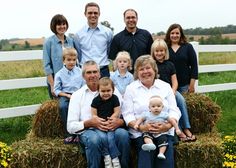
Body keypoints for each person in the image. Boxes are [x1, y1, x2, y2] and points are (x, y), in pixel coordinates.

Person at [67, 60, 130, 168]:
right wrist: (89, 123)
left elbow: (125, 113)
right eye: (89, 72)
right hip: (89, 130)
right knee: (94, 140)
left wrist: (120, 122)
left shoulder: (112, 92)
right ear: (83, 76)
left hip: (112, 128)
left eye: (95, 72)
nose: (93, 75)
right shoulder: (77, 96)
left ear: (100, 74)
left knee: (123, 135)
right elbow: (70, 127)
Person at [122, 55, 181, 168]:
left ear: (154, 70)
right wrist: (140, 127)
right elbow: (127, 114)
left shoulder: (165, 86)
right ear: (137, 72)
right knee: (146, 157)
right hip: (141, 133)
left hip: (164, 132)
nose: (145, 72)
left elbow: (174, 110)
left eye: (148, 68)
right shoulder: (131, 88)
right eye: (141, 69)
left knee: (165, 161)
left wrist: (167, 126)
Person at [151, 38, 197, 142]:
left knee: (180, 100)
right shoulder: (152, 65)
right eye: (157, 51)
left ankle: (186, 128)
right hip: (157, 94)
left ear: (165, 51)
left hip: (170, 91)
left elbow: (175, 81)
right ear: (153, 52)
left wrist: (173, 91)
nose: (159, 53)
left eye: (161, 50)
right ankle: (179, 131)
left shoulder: (170, 64)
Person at [134, 95, 181, 160]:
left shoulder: (164, 114)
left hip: (161, 133)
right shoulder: (146, 114)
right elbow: (140, 119)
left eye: (158, 106)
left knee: (163, 141)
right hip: (149, 131)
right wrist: (136, 124)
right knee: (145, 135)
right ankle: (150, 144)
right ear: (149, 107)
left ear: (162, 107)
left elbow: (172, 121)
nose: (156, 108)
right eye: (153, 106)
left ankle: (161, 153)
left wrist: (177, 129)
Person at [53, 47, 84, 144]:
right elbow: (56, 90)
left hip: (78, 94)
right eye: (69, 60)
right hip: (65, 95)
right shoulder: (59, 74)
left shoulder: (80, 71)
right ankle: (70, 134)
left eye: (74, 60)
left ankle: (79, 133)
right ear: (63, 61)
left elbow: (83, 85)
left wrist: (77, 95)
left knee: (81, 107)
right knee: (63, 107)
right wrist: (66, 95)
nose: (71, 62)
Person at [74, 2, 113, 77]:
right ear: (85, 14)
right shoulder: (78, 35)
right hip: (86, 71)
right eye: (90, 13)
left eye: (95, 13)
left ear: (99, 14)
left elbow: (108, 50)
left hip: (103, 71)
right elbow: (79, 54)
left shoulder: (108, 32)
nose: (93, 15)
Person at [109, 8, 153, 73]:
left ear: (137, 19)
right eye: (128, 18)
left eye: (133, 17)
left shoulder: (146, 35)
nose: (131, 20)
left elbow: (152, 55)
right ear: (124, 19)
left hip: (144, 73)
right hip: (125, 76)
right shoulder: (117, 38)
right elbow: (114, 60)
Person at [91, 77, 121, 168]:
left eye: (108, 90)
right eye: (103, 91)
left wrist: (111, 120)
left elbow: (117, 111)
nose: (106, 93)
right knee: (103, 138)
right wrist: (100, 122)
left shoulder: (115, 98)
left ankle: (115, 158)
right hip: (100, 125)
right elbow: (94, 115)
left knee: (111, 139)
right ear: (98, 90)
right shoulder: (95, 100)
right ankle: (107, 157)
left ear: (113, 89)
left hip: (111, 124)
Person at [43, 14, 75, 99]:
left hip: (70, 80)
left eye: (64, 24)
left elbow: (75, 60)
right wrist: (53, 85)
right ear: (54, 26)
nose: (62, 26)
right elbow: (47, 66)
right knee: (58, 107)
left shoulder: (71, 41)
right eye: (59, 24)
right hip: (56, 81)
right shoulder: (48, 42)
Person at [165, 23, 198, 93]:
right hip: (169, 85)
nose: (174, 35)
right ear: (169, 34)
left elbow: (194, 66)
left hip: (184, 85)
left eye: (177, 33)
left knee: (184, 104)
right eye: (172, 33)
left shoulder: (188, 47)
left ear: (181, 35)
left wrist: (192, 85)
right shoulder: (165, 48)